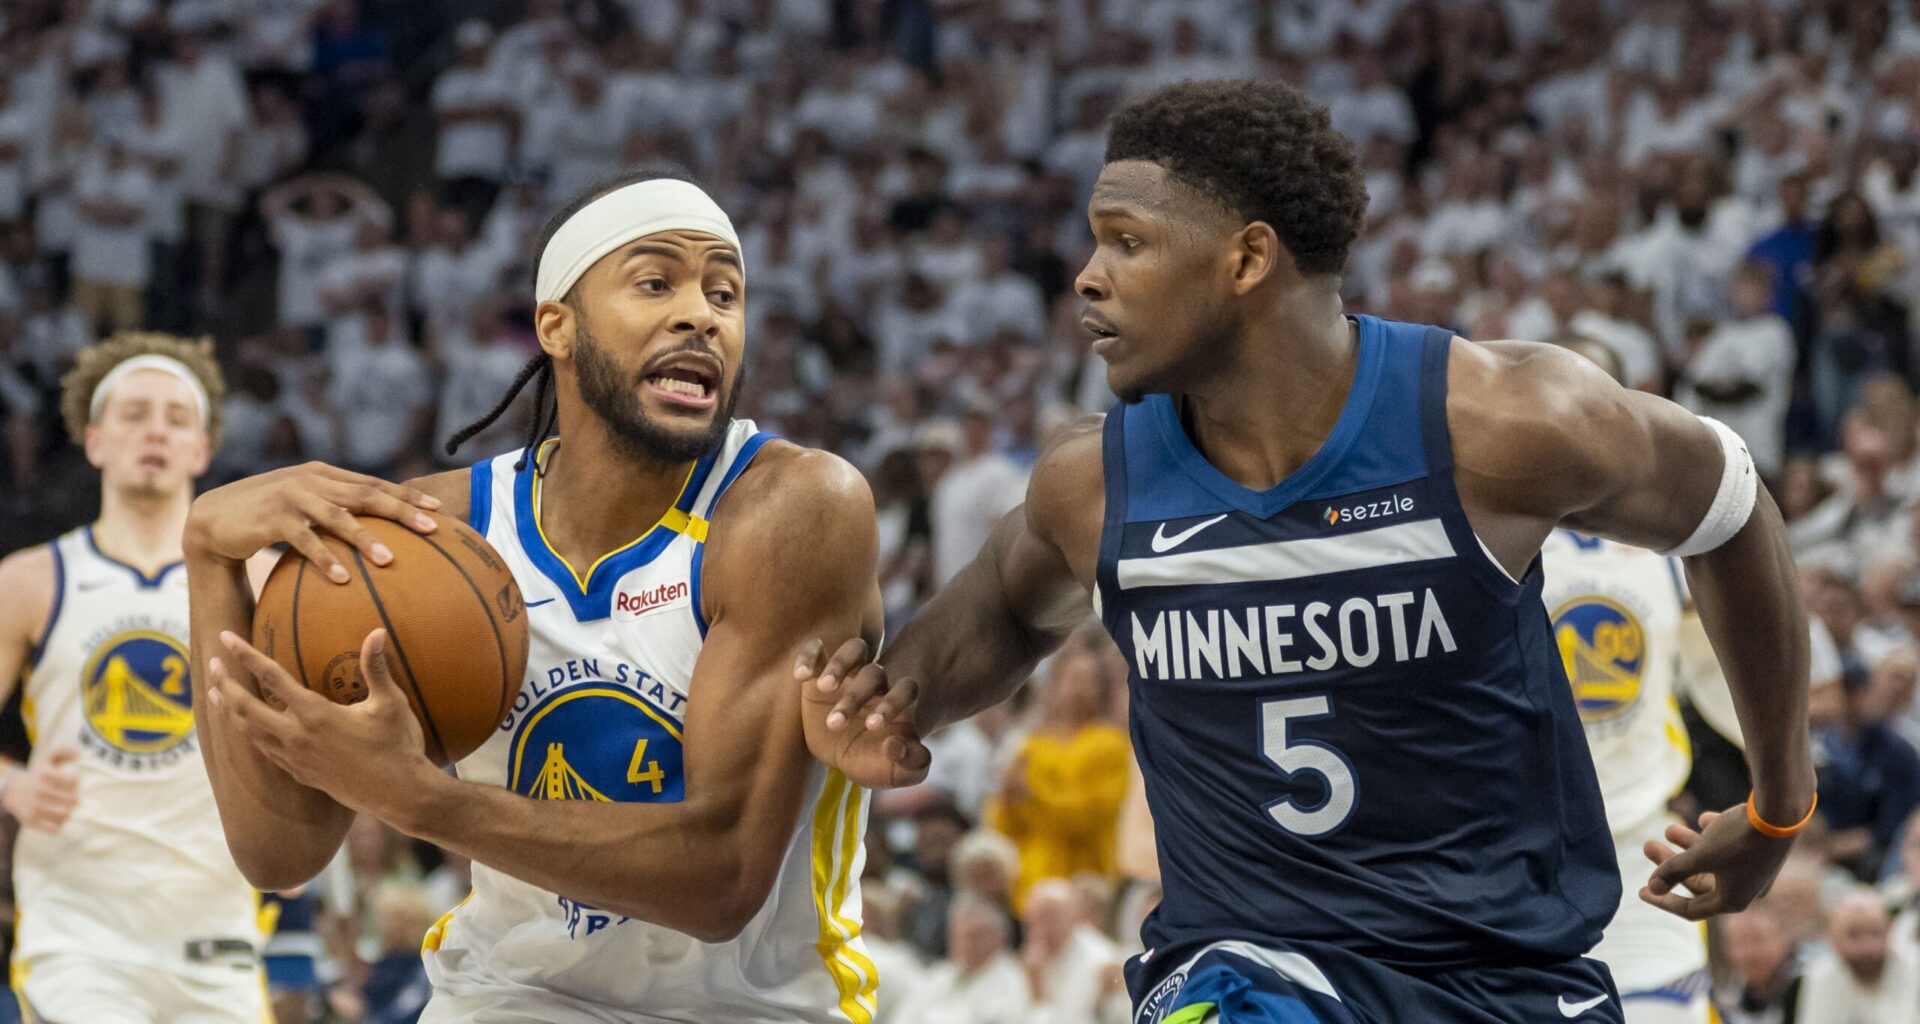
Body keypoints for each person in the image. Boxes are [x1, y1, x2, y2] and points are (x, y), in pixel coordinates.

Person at [803, 80, 1815, 1023]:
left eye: (1125, 243)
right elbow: (999, 612)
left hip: (1502, 978)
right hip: (1245, 967)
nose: (1087, 277)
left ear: (1246, 260)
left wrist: (1779, 803)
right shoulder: (1096, 483)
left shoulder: (1499, 424)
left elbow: (1729, 508)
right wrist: (889, 705)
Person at [182, 168, 906, 1023]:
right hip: (506, 993)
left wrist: (422, 799)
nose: (700, 314)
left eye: (725, 292)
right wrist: (208, 560)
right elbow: (279, 853)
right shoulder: (433, 533)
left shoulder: (792, 510)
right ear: (556, 326)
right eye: (654, 281)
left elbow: (723, 878)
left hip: (751, 1009)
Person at [0, 333, 271, 1021]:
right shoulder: (30, 581)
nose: (155, 430)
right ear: (94, 441)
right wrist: (13, 784)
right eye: (134, 414)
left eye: (177, 419)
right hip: (79, 937)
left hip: (219, 932)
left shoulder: (262, 581)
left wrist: (308, 821)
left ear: (202, 451)